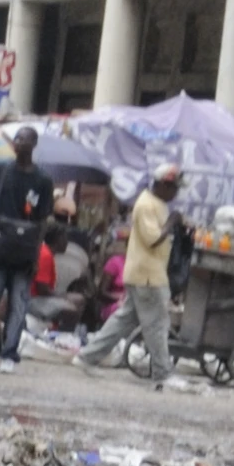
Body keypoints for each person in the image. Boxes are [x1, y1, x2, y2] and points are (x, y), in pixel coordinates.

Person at [84, 162, 182, 384]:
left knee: (123, 320)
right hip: (148, 275)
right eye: (174, 188)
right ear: (163, 185)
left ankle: (87, 357)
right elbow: (153, 239)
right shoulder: (147, 205)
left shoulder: (157, 204)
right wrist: (172, 222)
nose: (176, 193)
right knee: (157, 324)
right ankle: (163, 372)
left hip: (144, 272)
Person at [0, 123, 55, 369]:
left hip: (25, 252)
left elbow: (42, 221)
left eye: (24, 139)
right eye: (16, 138)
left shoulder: (43, 180)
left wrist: (36, 253)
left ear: (33, 144)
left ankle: (9, 354)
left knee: (18, 305)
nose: (18, 143)